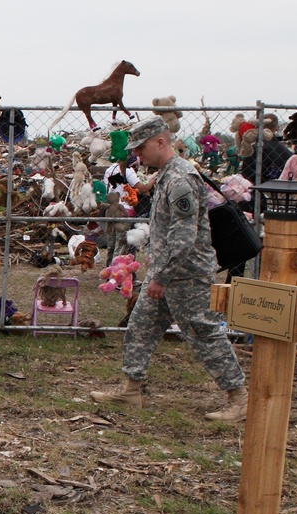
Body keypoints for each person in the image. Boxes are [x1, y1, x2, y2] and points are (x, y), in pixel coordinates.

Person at [90, 116, 248, 422]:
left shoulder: (180, 179)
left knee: (202, 332)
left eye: (141, 147)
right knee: (141, 326)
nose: (137, 155)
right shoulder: (167, 174)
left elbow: (184, 235)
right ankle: (131, 389)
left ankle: (238, 397)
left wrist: (162, 276)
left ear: (160, 142)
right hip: (166, 272)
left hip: (185, 274)